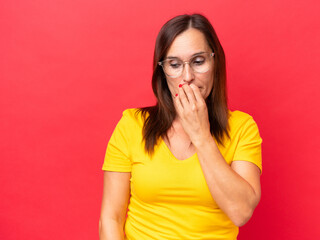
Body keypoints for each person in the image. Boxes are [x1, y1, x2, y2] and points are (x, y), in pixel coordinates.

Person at [99, 13, 262, 240]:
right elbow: (111, 218)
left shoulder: (243, 128)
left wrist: (201, 136)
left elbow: (240, 212)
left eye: (198, 61)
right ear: (163, 72)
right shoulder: (132, 125)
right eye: (174, 64)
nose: (187, 76)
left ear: (215, 62)